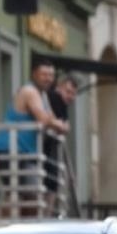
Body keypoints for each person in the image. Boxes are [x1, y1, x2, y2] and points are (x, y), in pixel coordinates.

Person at [0, 60, 68, 215]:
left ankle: (17, 228)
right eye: (44, 74)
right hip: (11, 149)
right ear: (34, 74)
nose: (48, 78)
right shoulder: (29, 91)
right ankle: (2, 225)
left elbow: (54, 121)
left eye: (51, 75)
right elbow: (43, 118)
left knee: (29, 195)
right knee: (25, 195)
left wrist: (58, 124)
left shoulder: (42, 95)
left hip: (25, 151)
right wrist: (58, 124)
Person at [43, 74, 79, 204]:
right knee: (51, 185)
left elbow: (65, 127)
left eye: (73, 94)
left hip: (47, 149)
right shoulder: (56, 97)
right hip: (46, 149)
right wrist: (60, 126)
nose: (70, 97)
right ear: (58, 87)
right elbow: (65, 127)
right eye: (68, 92)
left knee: (51, 184)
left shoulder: (54, 99)